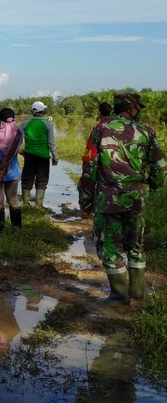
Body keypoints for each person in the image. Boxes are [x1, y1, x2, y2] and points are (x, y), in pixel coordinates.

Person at [78, 91, 166, 303]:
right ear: (131, 108)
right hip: (137, 199)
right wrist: (150, 188)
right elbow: (160, 167)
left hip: (109, 200)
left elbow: (89, 167)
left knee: (110, 246)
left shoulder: (100, 130)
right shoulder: (146, 131)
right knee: (136, 246)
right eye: (138, 108)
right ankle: (136, 294)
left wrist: (86, 200)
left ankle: (119, 296)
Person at [19, 101, 58, 207]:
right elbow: (51, 143)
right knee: (42, 179)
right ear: (43, 111)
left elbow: (17, 140)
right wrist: (55, 156)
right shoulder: (47, 124)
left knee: (27, 178)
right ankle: (39, 204)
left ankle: (26, 203)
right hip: (43, 157)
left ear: (32, 111)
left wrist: (20, 151)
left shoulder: (25, 124)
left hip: (29, 156)